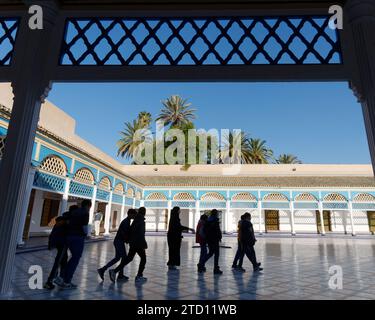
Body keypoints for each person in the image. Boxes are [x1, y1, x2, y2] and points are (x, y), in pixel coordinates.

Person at [43, 205, 78, 289]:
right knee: (58, 261)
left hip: (60, 242)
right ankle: (50, 281)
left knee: (63, 262)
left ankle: (63, 280)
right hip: (62, 242)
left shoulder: (64, 218)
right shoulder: (67, 220)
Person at [109, 207, 148, 282]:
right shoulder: (141, 221)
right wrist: (143, 244)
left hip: (133, 243)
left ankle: (114, 271)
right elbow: (140, 234)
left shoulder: (135, 220)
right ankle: (139, 276)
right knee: (143, 258)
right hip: (138, 244)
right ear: (144, 213)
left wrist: (130, 241)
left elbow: (131, 231)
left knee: (129, 258)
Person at [97, 209, 137, 281]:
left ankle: (103, 270)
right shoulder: (126, 222)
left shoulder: (127, 221)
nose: (135, 216)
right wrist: (127, 240)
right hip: (119, 241)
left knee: (118, 258)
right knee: (124, 258)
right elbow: (123, 233)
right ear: (130, 214)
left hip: (119, 241)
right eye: (134, 214)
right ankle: (118, 275)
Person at [60, 199, 92, 289]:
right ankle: (67, 280)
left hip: (69, 236)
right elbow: (84, 226)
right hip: (77, 237)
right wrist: (86, 234)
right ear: (88, 206)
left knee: (72, 258)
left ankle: (63, 276)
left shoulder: (75, 211)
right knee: (75, 258)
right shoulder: (85, 212)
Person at [199, 209, 223, 275]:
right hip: (215, 239)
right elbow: (217, 230)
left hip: (209, 240)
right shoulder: (215, 220)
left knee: (211, 253)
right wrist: (219, 237)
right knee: (216, 254)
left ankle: (201, 264)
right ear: (215, 214)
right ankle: (216, 269)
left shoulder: (208, 220)